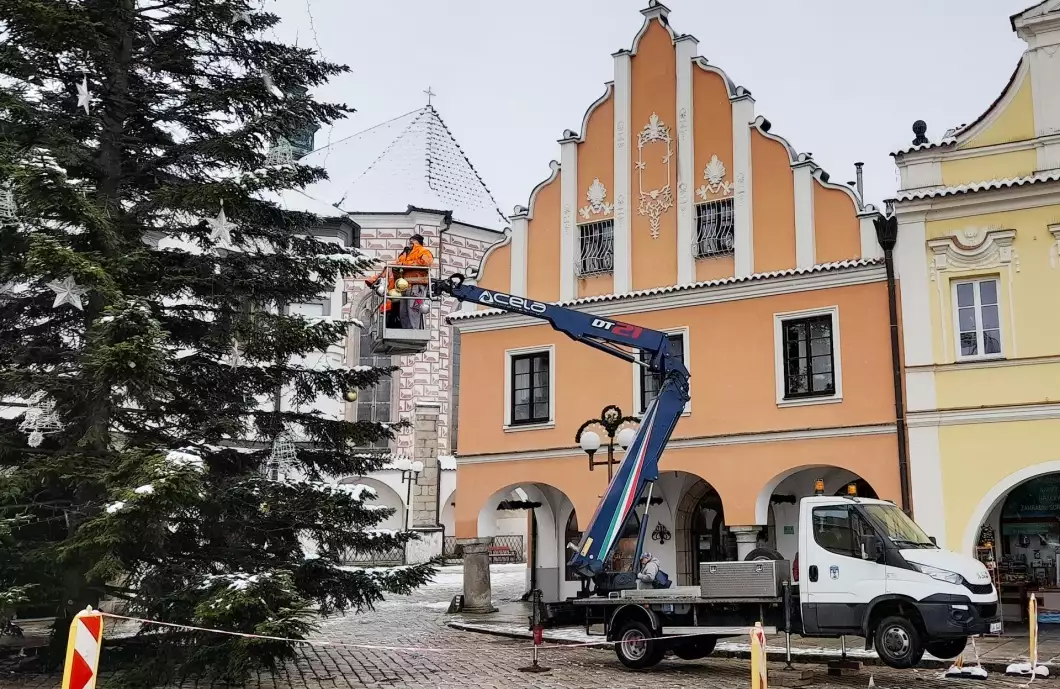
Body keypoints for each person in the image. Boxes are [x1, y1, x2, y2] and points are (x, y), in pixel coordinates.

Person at [394, 233, 433, 329]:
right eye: (410, 240)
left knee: (413, 310)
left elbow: (426, 262)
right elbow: (399, 263)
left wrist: (406, 264)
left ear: (418, 242)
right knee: (403, 312)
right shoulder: (406, 253)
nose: (410, 242)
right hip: (405, 286)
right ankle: (406, 332)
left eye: (413, 240)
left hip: (417, 285)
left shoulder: (423, 251)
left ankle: (414, 331)